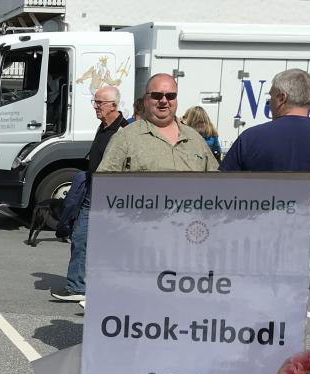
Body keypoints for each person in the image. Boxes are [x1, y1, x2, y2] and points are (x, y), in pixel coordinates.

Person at [219, 69, 310, 285]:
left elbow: (223, 193)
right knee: (291, 311)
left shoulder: (251, 138)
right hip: (301, 242)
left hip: (252, 242)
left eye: (271, 96)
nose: (269, 102)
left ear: (282, 97)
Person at [50, 85, 127, 303]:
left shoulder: (123, 130)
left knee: (109, 242)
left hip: (111, 196)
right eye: (95, 102)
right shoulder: (102, 127)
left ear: (113, 105)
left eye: (99, 103)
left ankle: (111, 287)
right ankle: (76, 286)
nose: (95, 106)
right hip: (92, 190)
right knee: (80, 236)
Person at [98, 74, 218, 174]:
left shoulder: (195, 139)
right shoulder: (124, 138)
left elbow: (216, 183)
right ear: (145, 100)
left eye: (170, 96)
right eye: (157, 95)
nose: (164, 101)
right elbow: (103, 187)